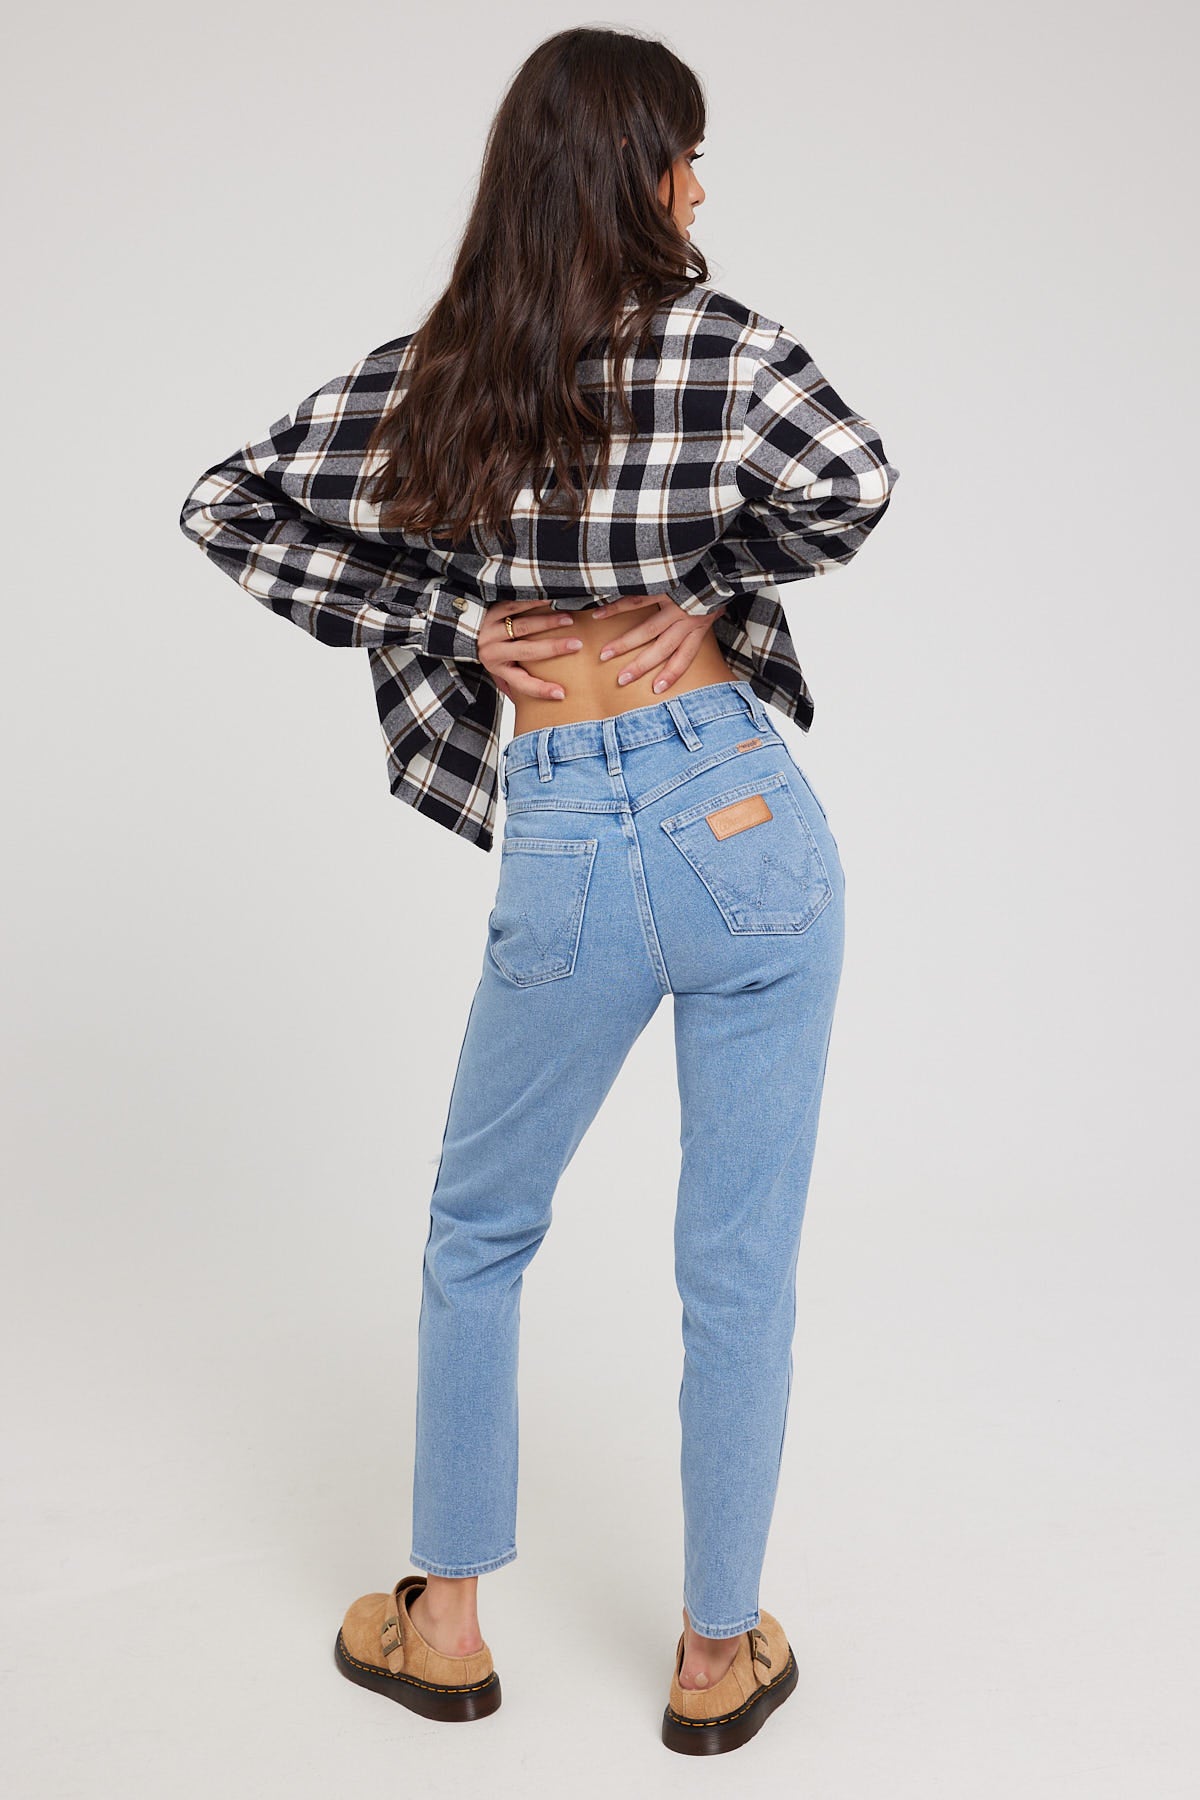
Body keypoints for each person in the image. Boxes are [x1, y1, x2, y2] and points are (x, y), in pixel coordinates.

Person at [178, 25, 899, 1756]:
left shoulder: (441, 373)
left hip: (572, 817)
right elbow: (857, 481)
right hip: (741, 808)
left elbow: (228, 505)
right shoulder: (729, 347)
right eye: (686, 154)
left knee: (481, 1229)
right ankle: (715, 1656)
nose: (702, 187)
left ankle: (444, 1629)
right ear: (635, 172)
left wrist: (453, 618)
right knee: (740, 1266)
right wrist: (707, 588)